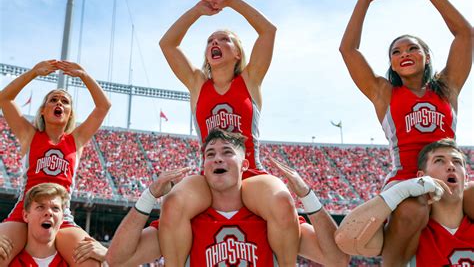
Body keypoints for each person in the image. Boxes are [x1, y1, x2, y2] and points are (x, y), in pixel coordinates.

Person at [336, 0, 473, 264]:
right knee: (413, 210)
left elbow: (465, 34)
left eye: (413, 48)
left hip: (448, 172)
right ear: (392, 64)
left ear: (426, 56)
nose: (404, 54)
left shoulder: (447, 87)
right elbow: (348, 50)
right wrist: (364, 0)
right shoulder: (383, 92)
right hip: (406, 177)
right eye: (396, 52)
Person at [159, 0, 300, 266]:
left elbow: (268, 32)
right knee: (172, 203)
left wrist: (233, 2)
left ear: (238, 53)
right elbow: (168, 45)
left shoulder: (250, 79)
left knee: (282, 201)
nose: (216, 42)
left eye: (225, 39)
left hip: (250, 174)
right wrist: (197, 12)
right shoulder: (198, 84)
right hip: (208, 176)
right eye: (211, 40)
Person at [106, 128, 349, 266]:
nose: (218, 158)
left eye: (226, 153)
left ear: (244, 166)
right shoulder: (184, 222)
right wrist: (149, 197)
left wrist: (307, 196)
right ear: (204, 167)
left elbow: (338, 259)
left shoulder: (272, 217)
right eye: (210, 154)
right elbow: (116, 261)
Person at [0, 60, 111, 266]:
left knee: (90, 261)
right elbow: (5, 98)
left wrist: (84, 75)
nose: (59, 103)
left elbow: (104, 106)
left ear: (69, 113)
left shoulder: (76, 140)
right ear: (42, 110)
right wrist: (33, 73)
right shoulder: (29, 135)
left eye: (65, 101)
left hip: (62, 215)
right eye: (53, 100)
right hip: (24, 212)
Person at [336, 139, 473, 266]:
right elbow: (346, 238)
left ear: (465, 177)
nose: (450, 166)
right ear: (421, 177)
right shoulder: (407, 230)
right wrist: (400, 191)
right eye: (439, 161)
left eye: (457, 162)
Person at [5, 183, 107, 267]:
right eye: (40, 207)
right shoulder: (7, 261)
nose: (49, 212)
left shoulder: (78, 262)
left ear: (63, 218)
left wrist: (108, 258)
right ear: (26, 216)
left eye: (55, 208)